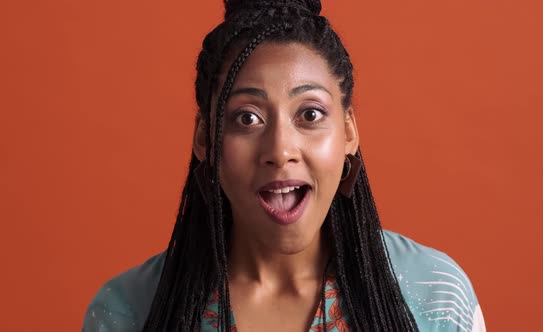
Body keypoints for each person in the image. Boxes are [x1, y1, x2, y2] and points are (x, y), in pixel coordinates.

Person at [82, 0, 486, 331]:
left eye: (309, 114)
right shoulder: (127, 312)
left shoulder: (435, 295)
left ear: (348, 133)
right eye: (247, 118)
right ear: (205, 140)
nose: (280, 149)